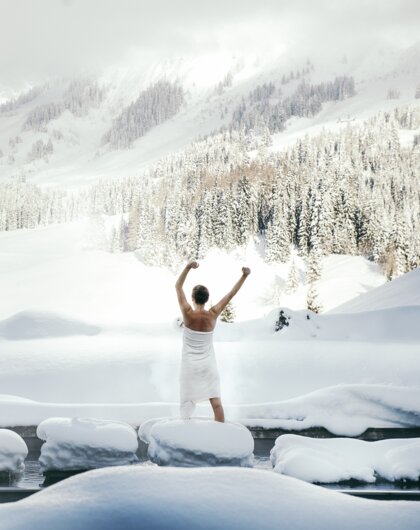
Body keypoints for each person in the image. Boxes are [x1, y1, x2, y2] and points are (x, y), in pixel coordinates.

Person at [175, 261, 251, 422]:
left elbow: (178, 286)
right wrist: (244, 276)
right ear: (207, 299)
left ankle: (184, 431)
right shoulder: (213, 314)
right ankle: (220, 436)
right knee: (216, 402)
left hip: (190, 366)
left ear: (193, 298)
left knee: (187, 401)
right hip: (208, 365)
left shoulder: (187, 313)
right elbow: (231, 294)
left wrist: (188, 267)